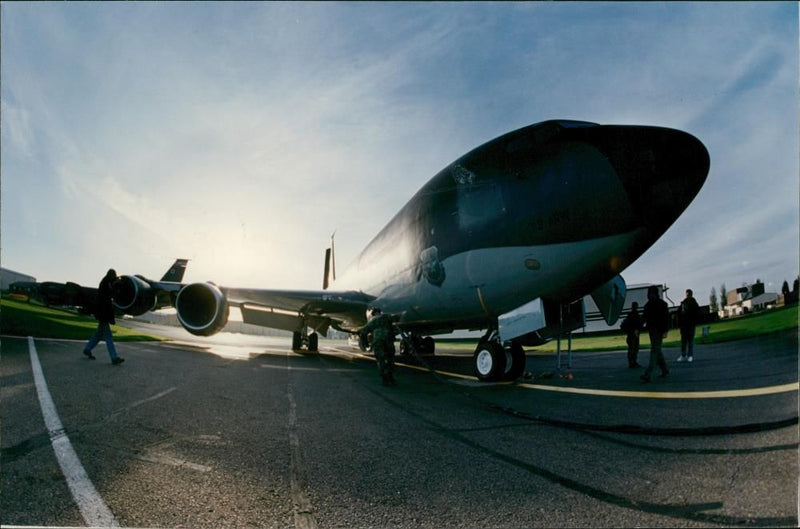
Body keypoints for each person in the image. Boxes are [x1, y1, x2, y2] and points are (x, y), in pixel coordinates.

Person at [83, 269, 125, 365]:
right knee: (108, 336)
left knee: (98, 334)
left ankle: (87, 348)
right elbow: (108, 302)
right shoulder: (106, 286)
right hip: (104, 314)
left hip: (101, 314)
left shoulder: (104, 283)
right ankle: (114, 357)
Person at [640, 285, 669, 383]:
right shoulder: (662, 304)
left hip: (654, 331)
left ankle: (648, 373)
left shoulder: (648, 305)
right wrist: (665, 330)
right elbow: (666, 318)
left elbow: (644, 318)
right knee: (657, 350)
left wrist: (637, 328)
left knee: (654, 351)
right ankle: (664, 369)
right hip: (657, 330)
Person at [360, 307, 396, 386]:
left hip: (378, 342)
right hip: (388, 341)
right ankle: (390, 377)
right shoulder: (387, 317)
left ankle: (384, 378)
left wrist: (365, 343)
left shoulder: (373, 320)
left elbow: (364, 332)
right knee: (390, 359)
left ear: (373, 313)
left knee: (381, 360)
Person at [677, 289, 700, 362]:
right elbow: (679, 312)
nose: (687, 296)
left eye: (688, 294)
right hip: (684, 325)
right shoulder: (684, 303)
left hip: (690, 324)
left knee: (690, 341)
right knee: (684, 341)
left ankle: (690, 355)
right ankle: (684, 354)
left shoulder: (693, 303)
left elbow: (697, 313)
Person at [620, 302, 643, 368]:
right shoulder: (636, 315)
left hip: (630, 334)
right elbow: (639, 324)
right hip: (634, 334)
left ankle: (631, 362)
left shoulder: (629, 315)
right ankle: (633, 362)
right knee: (634, 348)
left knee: (631, 349)